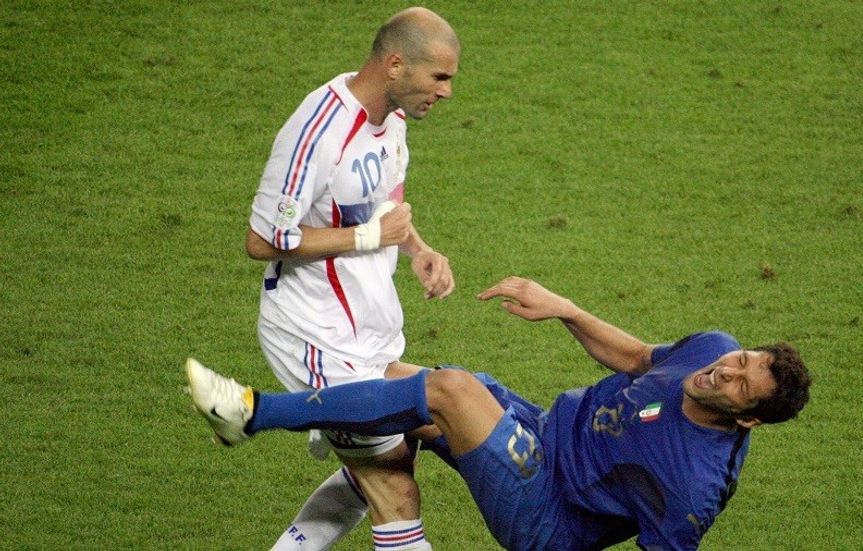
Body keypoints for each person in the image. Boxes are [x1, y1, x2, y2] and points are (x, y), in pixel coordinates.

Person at [187, 276, 812, 550]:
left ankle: (251, 413)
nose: (725, 369)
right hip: (540, 430)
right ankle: (326, 469)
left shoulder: (692, 487)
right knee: (394, 384)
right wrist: (565, 307)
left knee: (450, 392)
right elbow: (639, 357)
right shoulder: (714, 348)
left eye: (739, 383)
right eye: (743, 358)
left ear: (748, 419)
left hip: (549, 519)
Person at [242, 7, 459, 550]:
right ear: (395, 64)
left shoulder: (396, 119)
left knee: (390, 459)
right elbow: (264, 240)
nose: (448, 91)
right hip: (314, 332)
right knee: (393, 488)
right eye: (440, 77)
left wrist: (417, 248)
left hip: (368, 322)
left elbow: (387, 201)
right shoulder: (320, 129)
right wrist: (370, 239)